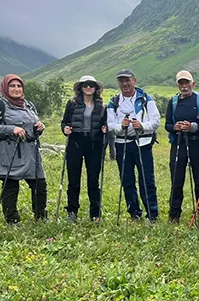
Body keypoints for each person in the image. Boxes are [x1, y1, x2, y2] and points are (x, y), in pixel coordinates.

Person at [0, 74, 46, 224]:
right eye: (12, 86)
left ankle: (41, 216)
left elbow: (33, 123)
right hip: (9, 151)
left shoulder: (28, 105)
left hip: (31, 152)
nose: (16, 89)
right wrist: (11, 129)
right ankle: (12, 220)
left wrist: (39, 127)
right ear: (5, 87)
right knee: (10, 186)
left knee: (39, 184)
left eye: (19, 86)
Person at [107, 69, 161, 222]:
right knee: (127, 180)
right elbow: (110, 125)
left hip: (143, 143)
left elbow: (156, 121)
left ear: (134, 81)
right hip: (122, 144)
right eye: (121, 81)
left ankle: (152, 214)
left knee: (147, 179)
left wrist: (142, 125)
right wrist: (121, 127)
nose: (124, 84)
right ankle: (134, 213)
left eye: (127, 80)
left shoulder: (146, 98)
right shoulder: (114, 101)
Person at [60, 75, 108, 222]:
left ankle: (95, 214)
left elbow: (105, 123)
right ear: (80, 87)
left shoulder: (101, 106)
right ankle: (72, 212)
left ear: (96, 88)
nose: (88, 87)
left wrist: (105, 128)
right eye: (85, 85)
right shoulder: (72, 104)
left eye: (91, 85)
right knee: (73, 179)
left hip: (94, 143)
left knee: (93, 180)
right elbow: (65, 122)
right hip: (75, 141)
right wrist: (65, 129)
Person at [165, 70, 199, 224]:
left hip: (196, 143)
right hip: (178, 143)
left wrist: (193, 127)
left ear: (193, 83)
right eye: (181, 83)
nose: (184, 86)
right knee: (176, 179)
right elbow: (167, 125)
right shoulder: (173, 101)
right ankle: (174, 214)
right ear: (178, 85)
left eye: (187, 83)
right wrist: (175, 127)